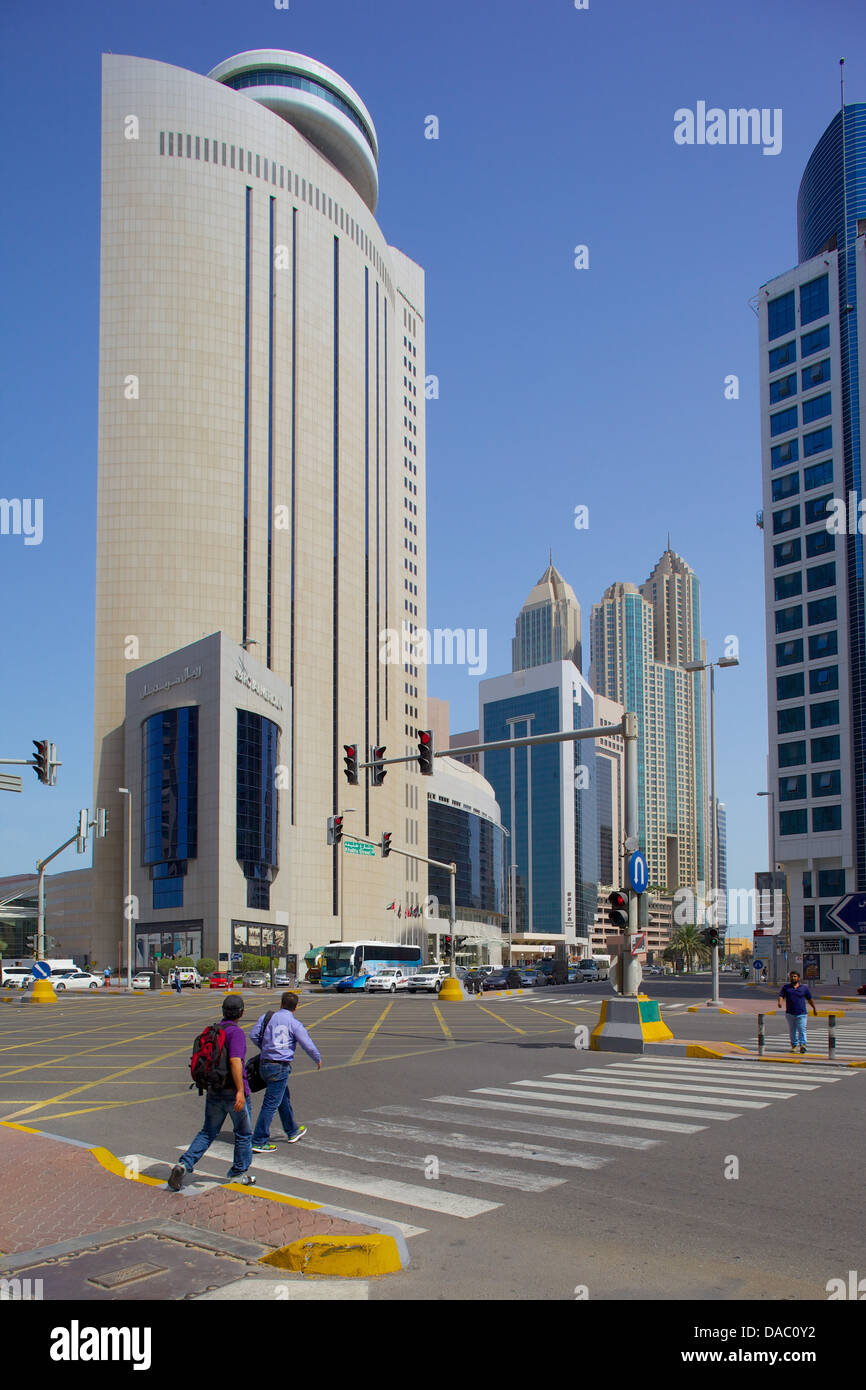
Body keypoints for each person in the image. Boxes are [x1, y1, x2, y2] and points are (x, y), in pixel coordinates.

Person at [167, 994, 255, 1189]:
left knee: (208, 1131)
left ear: (223, 1011)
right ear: (241, 1013)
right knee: (243, 1133)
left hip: (214, 1089)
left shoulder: (214, 1030)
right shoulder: (236, 1033)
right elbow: (235, 1061)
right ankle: (238, 1173)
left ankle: (184, 1164)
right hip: (233, 1092)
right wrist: (240, 1090)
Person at [250, 992, 321, 1152]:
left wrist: (266, 1047)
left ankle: (292, 1130)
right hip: (280, 1067)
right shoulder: (294, 1024)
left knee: (282, 1097)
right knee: (270, 1104)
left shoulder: (267, 1017)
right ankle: (259, 1140)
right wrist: (317, 1058)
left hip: (264, 1064)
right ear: (296, 1007)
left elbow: (253, 1035)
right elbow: (307, 1044)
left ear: (281, 1004)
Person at [777, 970, 818, 1054]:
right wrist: (780, 1002)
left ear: (798, 978)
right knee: (792, 1030)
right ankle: (794, 1045)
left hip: (802, 1013)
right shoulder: (786, 988)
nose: (793, 978)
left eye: (795, 976)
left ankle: (803, 1045)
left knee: (802, 1029)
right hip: (790, 1013)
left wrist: (814, 1008)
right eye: (791, 976)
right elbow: (781, 996)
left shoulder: (804, 988)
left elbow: (809, 999)